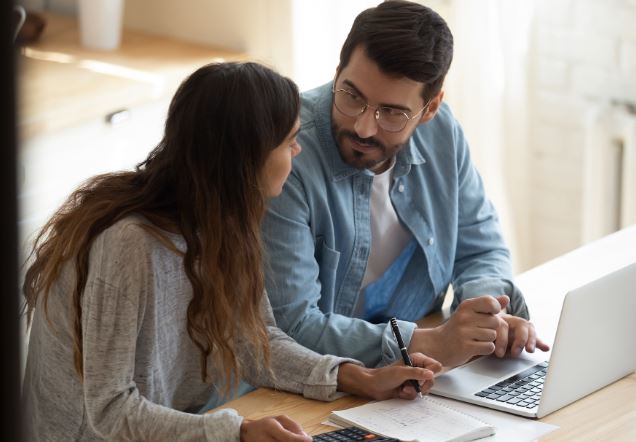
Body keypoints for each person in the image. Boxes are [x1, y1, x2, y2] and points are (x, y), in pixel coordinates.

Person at [22, 62, 441, 442]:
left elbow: (255, 342)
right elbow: (110, 411)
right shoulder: (129, 244)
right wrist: (235, 433)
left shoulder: (226, 221)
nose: (298, 151)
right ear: (246, 159)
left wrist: (355, 377)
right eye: (289, 141)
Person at [262, 0, 550, 370]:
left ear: (430, 109)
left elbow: (480, 249)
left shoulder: (442, 132)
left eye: (392, 113)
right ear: (337, 73)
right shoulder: (287, 153)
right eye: (352, 96)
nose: (364, 127)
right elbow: (293, 326)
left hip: (417, 375)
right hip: (321, 381)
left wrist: (483, 316)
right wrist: (429, 342)